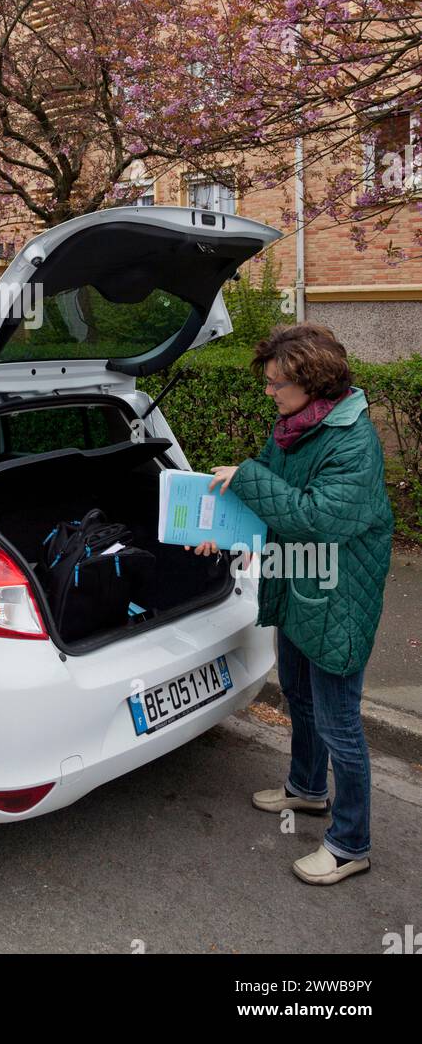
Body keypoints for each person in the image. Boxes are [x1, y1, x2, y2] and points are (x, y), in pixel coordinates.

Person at [189, 322, 393, 886]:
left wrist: (249, 478)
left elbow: (318, 519)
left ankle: (351, 844)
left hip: (337, 596)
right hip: (298, 583)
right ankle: (307, 789)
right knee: (299, 698)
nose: (270, 392)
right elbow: (266, 495)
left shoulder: (353, 440)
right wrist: (225, 528)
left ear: (313, 383)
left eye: (278, 383)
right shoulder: (292, 427)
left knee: (339, 724)